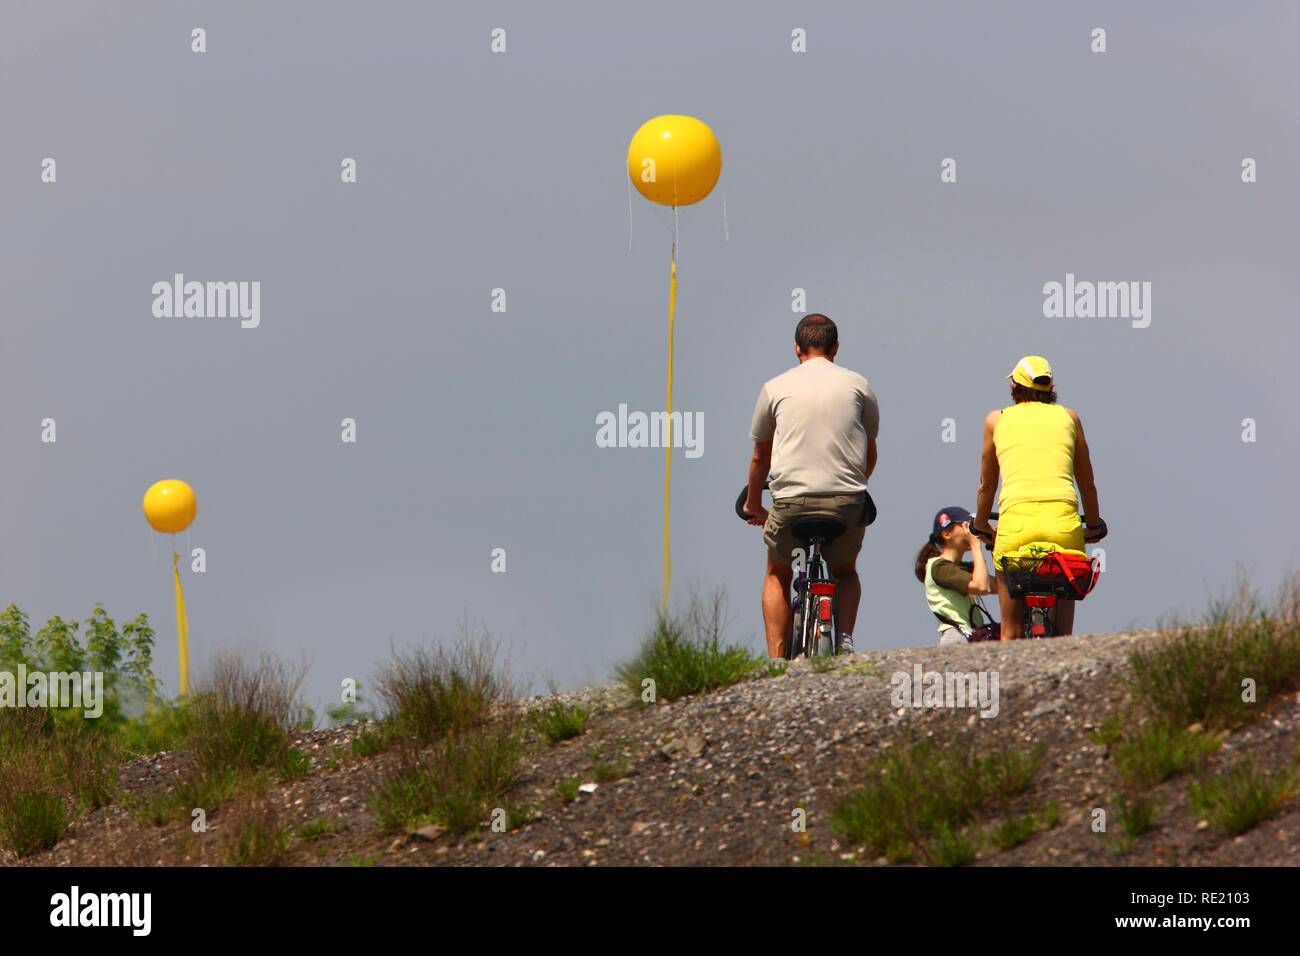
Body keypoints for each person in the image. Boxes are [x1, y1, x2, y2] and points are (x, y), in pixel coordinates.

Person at [743, 314, 879, 660]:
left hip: (790, 501)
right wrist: (852, 486)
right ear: (835, 348)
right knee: (845, 571)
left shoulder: (774, 388)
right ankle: (845, 639)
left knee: (777, 570)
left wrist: (754, 504)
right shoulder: (858, 385)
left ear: (796, 348)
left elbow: (761, 456)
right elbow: (870, 452)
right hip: (846, 501)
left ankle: (776, 660)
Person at [970, 356, 1105, 639]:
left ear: (1014, 387)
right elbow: (1087, 483)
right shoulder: (1070, 417)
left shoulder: (996, 420)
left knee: (1010, 629)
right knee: (1064, 632)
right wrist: (1093, 524)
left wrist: (980, 525)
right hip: (1063, 527)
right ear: (1050, 386)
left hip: (1016, 528)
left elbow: (987, 485)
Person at [915, 507, 998, 645]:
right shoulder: (938, 567)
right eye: (966, 525)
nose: (970, 530)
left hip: (972, 635)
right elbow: (982, 587)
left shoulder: (961, 568)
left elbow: (998, 586)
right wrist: (976, 546)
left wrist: (993, 546)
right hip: (957, 638)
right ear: (947, 533)